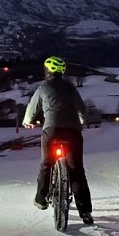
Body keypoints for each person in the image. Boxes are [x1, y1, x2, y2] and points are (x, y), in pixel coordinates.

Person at [22, 56, 94, 225]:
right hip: (73, 131)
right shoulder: (71, 88)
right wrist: (82, 121)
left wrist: (28, 121)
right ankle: (85, 212)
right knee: (76, 170)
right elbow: (81, 109)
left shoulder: (43, 87)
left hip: (52, 130)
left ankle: (41, 199)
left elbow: (32, 108)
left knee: (46, 164)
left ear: (47, 71)